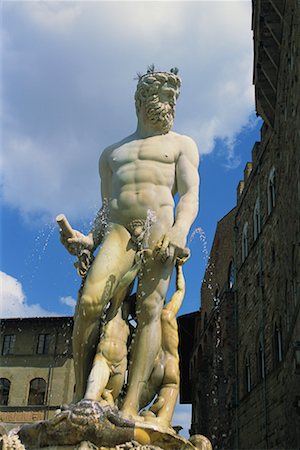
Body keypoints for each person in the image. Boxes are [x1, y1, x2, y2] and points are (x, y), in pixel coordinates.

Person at [60, 68, 199, 420]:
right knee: (90, 301)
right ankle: (82, 394)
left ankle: (130, 406)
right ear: (141, 100)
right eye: (163, 97)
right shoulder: (112, 153)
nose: (169, 105)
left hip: (160, 229)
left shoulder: (181, 144)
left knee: (149, 311)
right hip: (119, 230)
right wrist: (88, 240)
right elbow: (106, 210)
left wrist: (181, 229)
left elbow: (190, 195)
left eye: (173, 99)